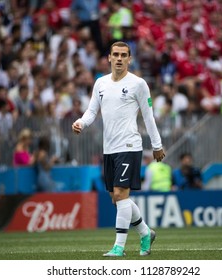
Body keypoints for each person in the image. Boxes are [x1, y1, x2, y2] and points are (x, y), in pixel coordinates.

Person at [72, 41, 165, 257]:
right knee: (116, 197)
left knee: (122, 195)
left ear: (130, 59)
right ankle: (145, 233)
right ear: (109, 58)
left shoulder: (139, 84)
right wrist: (81, 123)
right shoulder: (100, 84)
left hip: (130, 145)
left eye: (124, 55)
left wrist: (157, 145)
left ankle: (118, 247)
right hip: (110, 147)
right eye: (116, 54)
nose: (120, 58)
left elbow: (148, 116)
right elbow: (91, 111)